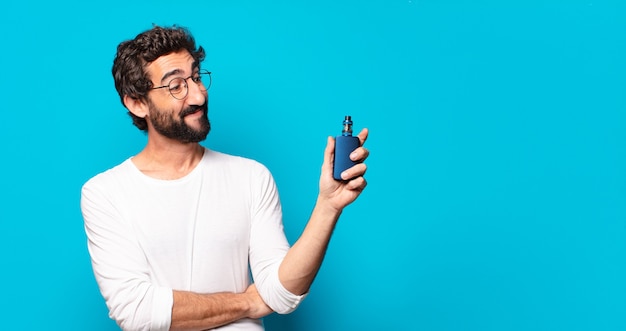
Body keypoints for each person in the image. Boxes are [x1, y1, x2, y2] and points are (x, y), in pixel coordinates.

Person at [81, 25, 369, 331]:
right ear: (137, 103)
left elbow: (282, 295)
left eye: (195, 76)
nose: (198, 94)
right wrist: (248, 302)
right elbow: (137, 312)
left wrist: (328, 206)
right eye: (176, 85)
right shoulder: (105, 193)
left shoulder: (250, 177)